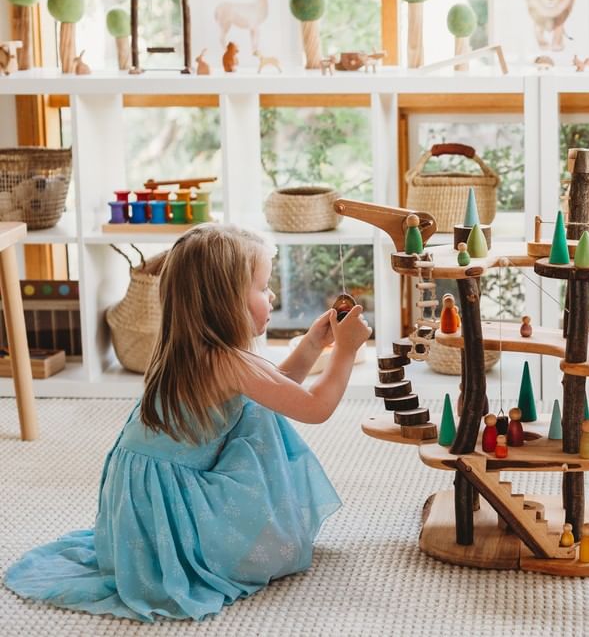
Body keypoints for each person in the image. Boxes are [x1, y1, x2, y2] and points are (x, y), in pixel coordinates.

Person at [4, 224, 370, 622]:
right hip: (169, 506)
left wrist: (312, 345)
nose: (272, 297)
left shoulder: (197, 348)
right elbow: (314, 407)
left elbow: (277, 392)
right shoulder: (227, 361)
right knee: (261, 424)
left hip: (145, 499)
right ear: (227, 301)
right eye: (263, 288)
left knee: (258, 411)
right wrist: (346, 352)